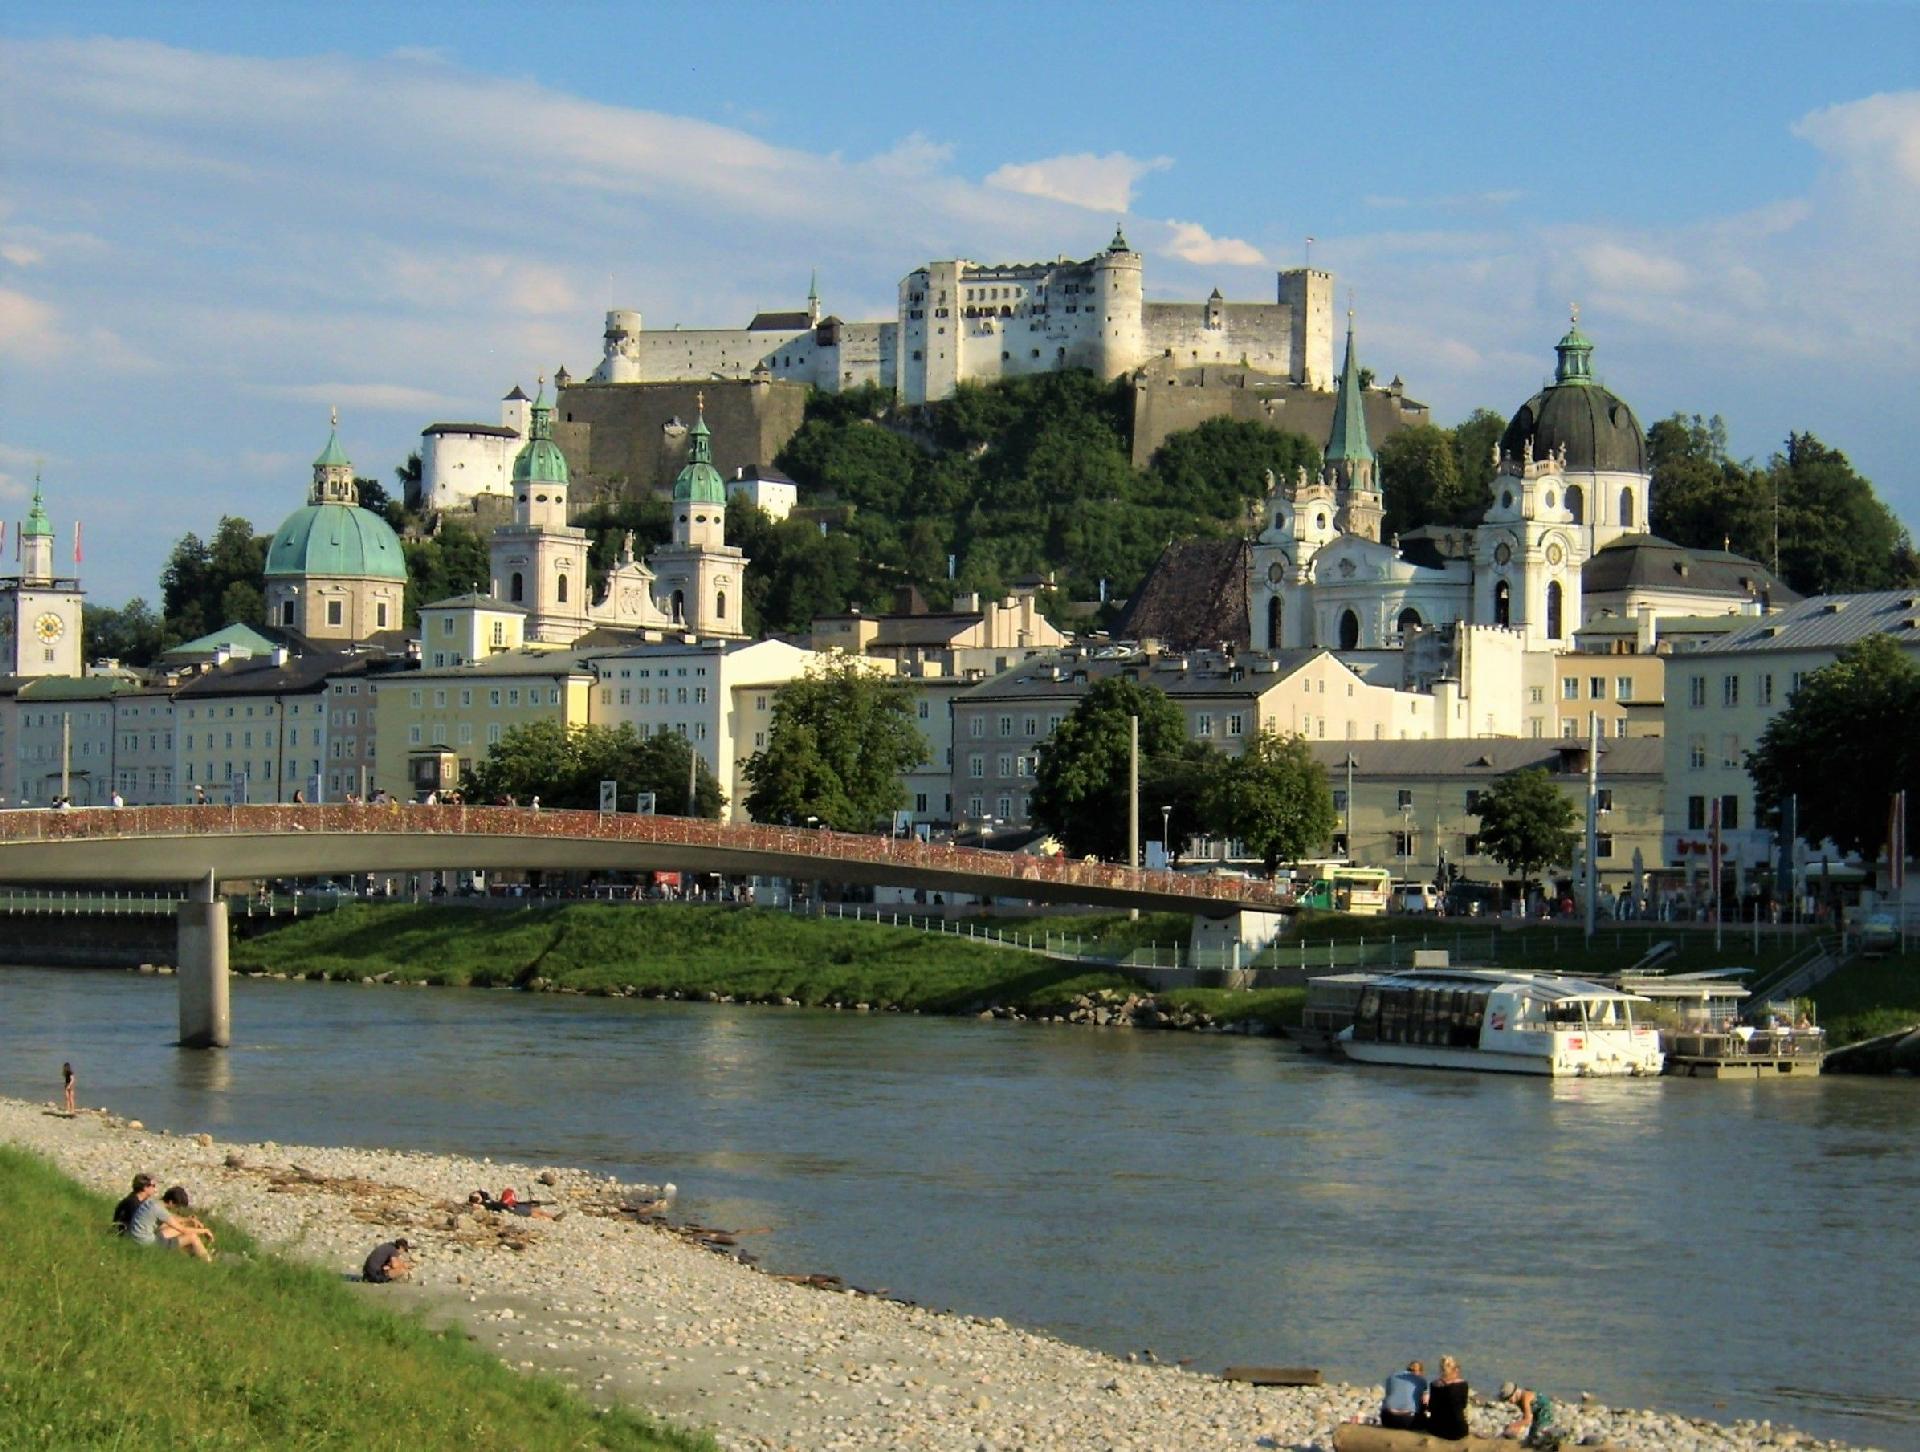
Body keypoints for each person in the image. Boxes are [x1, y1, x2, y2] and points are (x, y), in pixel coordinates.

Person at [157, 1186, 215, 1259]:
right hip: (155, 1240)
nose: (176, 1209)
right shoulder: (160, 1210)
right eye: (177, 1206)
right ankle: (207, 1260)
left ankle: (197, 1252)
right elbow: (183, 1229)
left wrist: (189, 1220)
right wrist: (204, 1231)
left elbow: (171, 1217)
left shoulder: (157, 1204)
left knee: (185, 1226)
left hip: (154, 1236)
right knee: (192, 1236)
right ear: (171, 1202)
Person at [1423, 1355, 1471, 1440]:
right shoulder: (1463, 1384)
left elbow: (1431, 1407)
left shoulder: (1434, 1384)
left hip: (1436, 1429)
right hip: (1458, 1431)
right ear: (1456, 1369)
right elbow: (1464, 1405)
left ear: (1441, 1369)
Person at [1499, 1381, 1560, 1447]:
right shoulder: (1518, 1401)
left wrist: (1512, 1425)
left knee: (1540, 1437)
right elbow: (1526, 1415)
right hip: (1536, 1415)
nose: (1509, 1401)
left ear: (1515, 1392)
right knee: (1530, 1441)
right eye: (1506, 1399)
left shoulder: (1525, 1398)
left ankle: (1556, 1434)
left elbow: (1527, 1420)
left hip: (1545, 1413)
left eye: (1509, 1398)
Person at [1380, 1359, 1427, 1430]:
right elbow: (1423, 1402)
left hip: (1387, 1419)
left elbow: (1388, 1395)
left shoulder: (1391, 1377)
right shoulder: (1421, 1381)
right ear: (1420, 1372)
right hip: (1408, 1421)